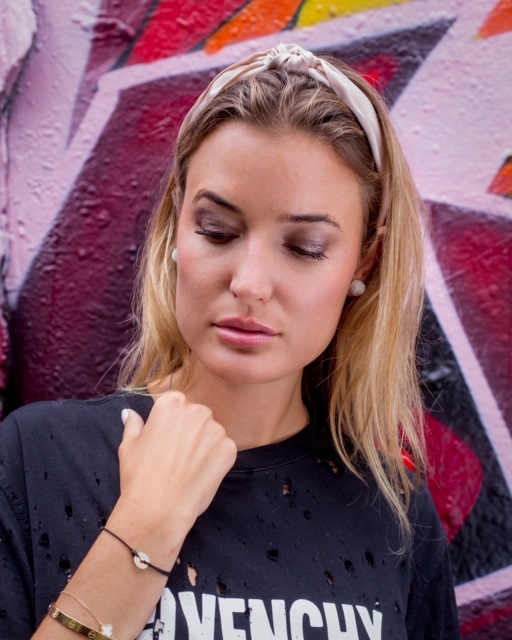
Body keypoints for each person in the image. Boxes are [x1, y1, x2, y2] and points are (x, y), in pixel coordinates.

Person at [0, 43, 460, 639]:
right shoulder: (38, 459)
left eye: (304, 248)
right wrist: (146, 526)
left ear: (364, 259)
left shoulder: (391, 513)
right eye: (217, 231)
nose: (249, 283)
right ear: (176, 226)